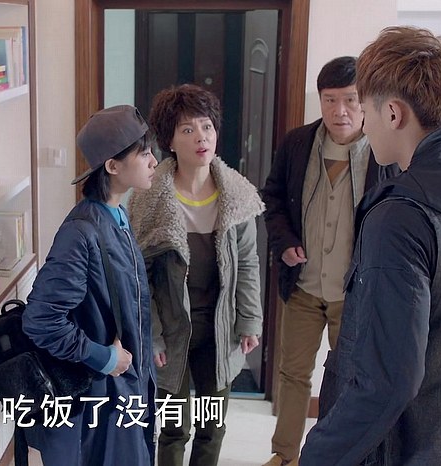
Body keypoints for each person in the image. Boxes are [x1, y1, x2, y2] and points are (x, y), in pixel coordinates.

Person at [299, 26, 441, 465]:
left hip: (393, 449)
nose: (362, 123)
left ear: (393, 113)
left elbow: (386, 381)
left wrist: (317, 455)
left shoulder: (400, 218)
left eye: (365, 109)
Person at [260, 56, 396, 466]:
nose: (340, 111)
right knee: (292, 374)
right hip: (303, 286)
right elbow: (273, 198)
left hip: (353, 293)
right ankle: (284, 455)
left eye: (351, 100)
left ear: (365, 101)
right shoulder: (297, 143)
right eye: (330, 100)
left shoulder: (384, 151)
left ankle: (334, 457)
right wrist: (284, 242)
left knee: (348, 380)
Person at [128, 83, 264, 466]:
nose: (201, 137)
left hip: (219, 328)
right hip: (172, 330)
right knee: (174, 427)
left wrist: (250, 320)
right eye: (187, 129)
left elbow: (248, 262)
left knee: (212, 426)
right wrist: (152, 335)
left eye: (206, 126)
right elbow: (139, 279)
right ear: (169, 140)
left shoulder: (236, 194)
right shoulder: (150, 199)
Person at [22, 105, 158, 466]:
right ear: (112, 166)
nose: (153, 162)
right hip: (97, 399)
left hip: (125, 388)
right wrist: (105, 357)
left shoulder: (118, 215)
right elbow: (41, 320)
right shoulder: (81, 232)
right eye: (144, 153)